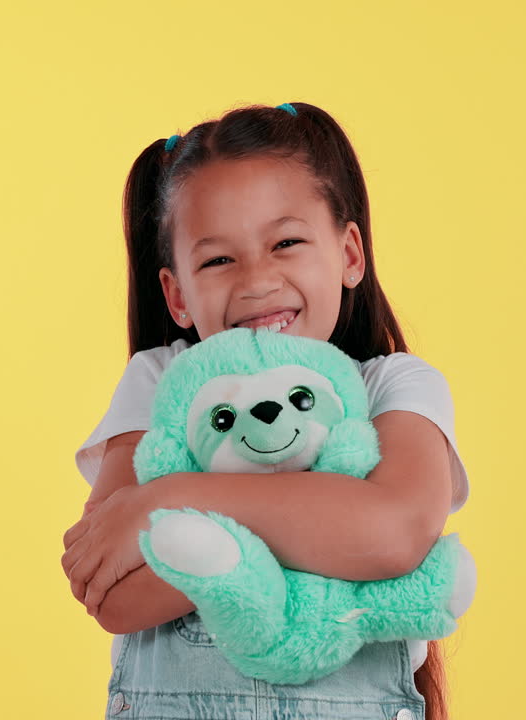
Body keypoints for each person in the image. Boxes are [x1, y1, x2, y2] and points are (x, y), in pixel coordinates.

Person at [61, 102, 470, 720]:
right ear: (176, 293)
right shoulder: (162, 382)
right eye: (218, 260)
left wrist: (163, 500)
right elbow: (113, 590)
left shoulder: (394, 386)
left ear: (349, 253)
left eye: (286, 242)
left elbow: (394, 535)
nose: (256, 281)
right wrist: (323, 528)